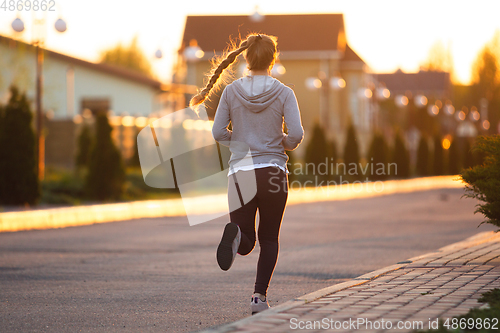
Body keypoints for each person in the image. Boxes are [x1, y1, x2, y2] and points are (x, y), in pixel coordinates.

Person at [190, 33, 304, 314]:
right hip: (273, 173)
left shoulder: (230, 92)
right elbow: (297, 134)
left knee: (246, 242)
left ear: (246, 58)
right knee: (268, 239)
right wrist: (282, 144)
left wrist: (239, 141)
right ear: (273, 59)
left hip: (240, 174)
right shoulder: (285, 93)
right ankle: (258, 298)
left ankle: (237, 235)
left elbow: (217, 132)